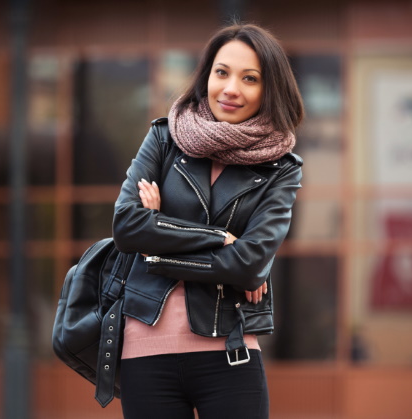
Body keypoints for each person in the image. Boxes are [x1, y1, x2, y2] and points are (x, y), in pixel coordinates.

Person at [112, 22, 304, 419]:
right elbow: (128, 225)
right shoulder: (165, 138)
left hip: (230, 353)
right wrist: (222, 238)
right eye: (222, 72)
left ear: (270, 90)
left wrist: (159, 244)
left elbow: (250, 264)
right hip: (145, 353)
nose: (231, 88)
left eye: (250, 79)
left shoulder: (281, 168)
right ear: (207, 76)